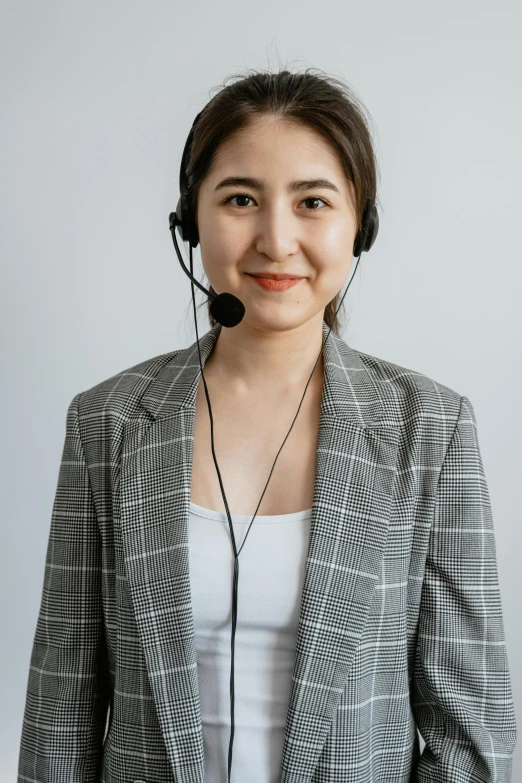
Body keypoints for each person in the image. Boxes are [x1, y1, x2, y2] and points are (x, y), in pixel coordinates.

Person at [17, 67, 517, 783]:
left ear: (360, 227)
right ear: (191, 221)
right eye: (241, 199)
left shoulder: (430, 429)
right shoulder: (107, 422)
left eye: (312, 201)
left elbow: (470, 736)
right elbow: (60, 710)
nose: (276, 240)